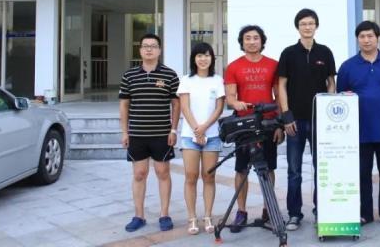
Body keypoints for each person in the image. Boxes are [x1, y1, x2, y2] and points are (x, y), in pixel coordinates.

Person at [337, 20, 380, 229]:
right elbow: (342, 96)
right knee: (361, 174)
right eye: (362, 37)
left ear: (378, 38)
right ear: (357, 39)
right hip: (358, 130)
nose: (366, 40)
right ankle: (364, 213)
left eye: (370, 36)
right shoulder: (348, 66)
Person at [278, 8, 336, 231]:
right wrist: (286, 115)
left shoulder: (325, 52)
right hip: (295, 121)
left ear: (316, 26)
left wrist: (328, 111)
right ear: (297, 27)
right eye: (303, 24)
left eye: (311, 23)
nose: (307, 27)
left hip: (319, 120)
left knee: (321, 168)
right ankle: (294, 214)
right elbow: (281, 86)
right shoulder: (288, 53)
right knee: (294, 170)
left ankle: (321, 210)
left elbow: (331, 83)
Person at [119, 33, 180, 232]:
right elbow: (124, 105)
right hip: (137, 134)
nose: (149, 49)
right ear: (140, 50)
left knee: (163, 173)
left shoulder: (170, 75)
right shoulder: (129, 76)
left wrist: (173, 129)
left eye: (153, 46)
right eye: (145, 46)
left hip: (162, 133)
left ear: (159, 50)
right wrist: (124, 132)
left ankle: (164, 214)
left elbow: (176, 104)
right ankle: (139, 216)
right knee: (139, 174)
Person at [224, 25, 282, 233]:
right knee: (241, 169)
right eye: (247, 38)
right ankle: (241, 211)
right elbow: (230, 97)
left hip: (268, 123)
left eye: (255, 38)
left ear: (262, 41)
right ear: (242, 42)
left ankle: (269, 209)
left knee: (269, 168)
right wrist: (236, 103)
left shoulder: (273, 65)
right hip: (244, 125)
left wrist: (280, 124)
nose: (251, 41)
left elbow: (279, 96)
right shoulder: (233, 66)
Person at [177, 42, 226, 235]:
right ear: (194, 59)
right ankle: (192, 218)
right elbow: (184, 107)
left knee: (209, 176)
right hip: (190, 136)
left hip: (212, 135)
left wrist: (205, 128)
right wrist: (197, 130)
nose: (203, 59)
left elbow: (219, 108)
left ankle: (207, 216)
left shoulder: (217, 80)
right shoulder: (186, 80)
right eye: (199, 55)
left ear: (212, 58)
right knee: (191, 176)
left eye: (206, 55)